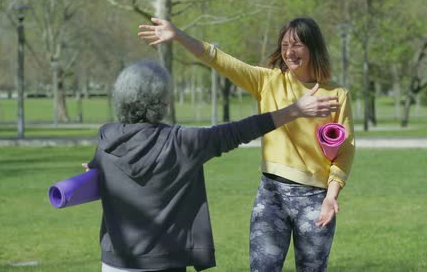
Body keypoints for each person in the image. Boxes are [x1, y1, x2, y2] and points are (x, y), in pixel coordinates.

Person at [138, 17, 355, 272]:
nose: (289, 52)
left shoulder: (337, 95)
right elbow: (219, 60)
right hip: (271, 194)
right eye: (284, 45)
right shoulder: (268, 81)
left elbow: (345, 151)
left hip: (315, 199)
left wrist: (331, 196)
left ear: (313, 47)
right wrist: (179, 36)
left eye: (296, 45)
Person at [85, 59, 339, 272]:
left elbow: (98, 172)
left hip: (114, 262)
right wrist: (294, 110)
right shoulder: (181, 142)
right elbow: (239, 131)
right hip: (164, 261)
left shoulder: (107, 139)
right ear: (160, 103)